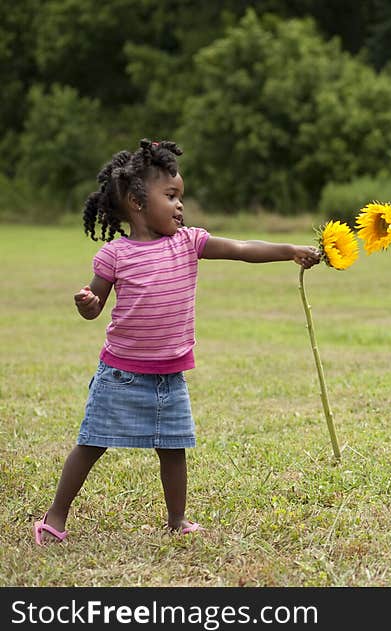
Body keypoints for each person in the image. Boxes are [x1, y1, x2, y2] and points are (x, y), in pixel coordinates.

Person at [33, 139, 320, 545]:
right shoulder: (115, 255)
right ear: (136, 201)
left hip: (170, 376)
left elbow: (240, 248)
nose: (180, 205)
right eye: (170, 196)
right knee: (91, 444)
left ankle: (177, 520)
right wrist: (88, 302)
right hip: (121, 375)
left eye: (180, 196)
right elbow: (94, 306)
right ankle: (55, 517)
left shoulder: (189, 242)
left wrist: (288, 250)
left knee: (173, 449)